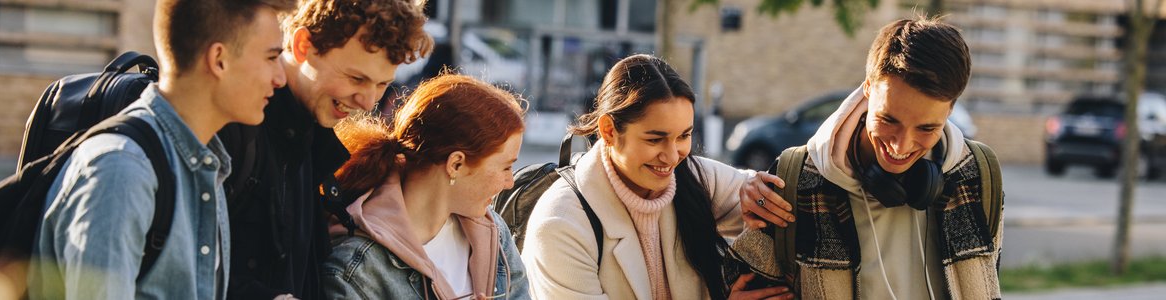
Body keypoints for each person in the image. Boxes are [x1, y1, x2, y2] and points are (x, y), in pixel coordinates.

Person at [28, 0, 292, 298]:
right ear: (219, 59)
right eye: (271, 57)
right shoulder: (121, 172)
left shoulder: (207, 165)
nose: (280, 78)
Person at [740, 16, 1002, 299]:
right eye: (889, 119)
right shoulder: (797, 179)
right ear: (868, 89)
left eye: (927, 128)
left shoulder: (979, 173)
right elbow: (737, 282)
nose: (901, 145)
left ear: (950, 110)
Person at [519, 54, 791, 300]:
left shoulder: (695, 177)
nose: (673, 156)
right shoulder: (561, 224)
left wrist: (758, 191)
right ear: (609, 131)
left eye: (684, 136)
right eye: (655, 139)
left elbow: (787, 196)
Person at [215, 0, 432, 299]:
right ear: (304, 46)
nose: (368, 102)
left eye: (382, 84)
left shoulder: (310, 138)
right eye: (357, 78)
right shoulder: (231, 129)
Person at [321, 74, 528, 299]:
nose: (510, 182)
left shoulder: (493, 233)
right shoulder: (357, 269)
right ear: (456, 164)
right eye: (506, 168)